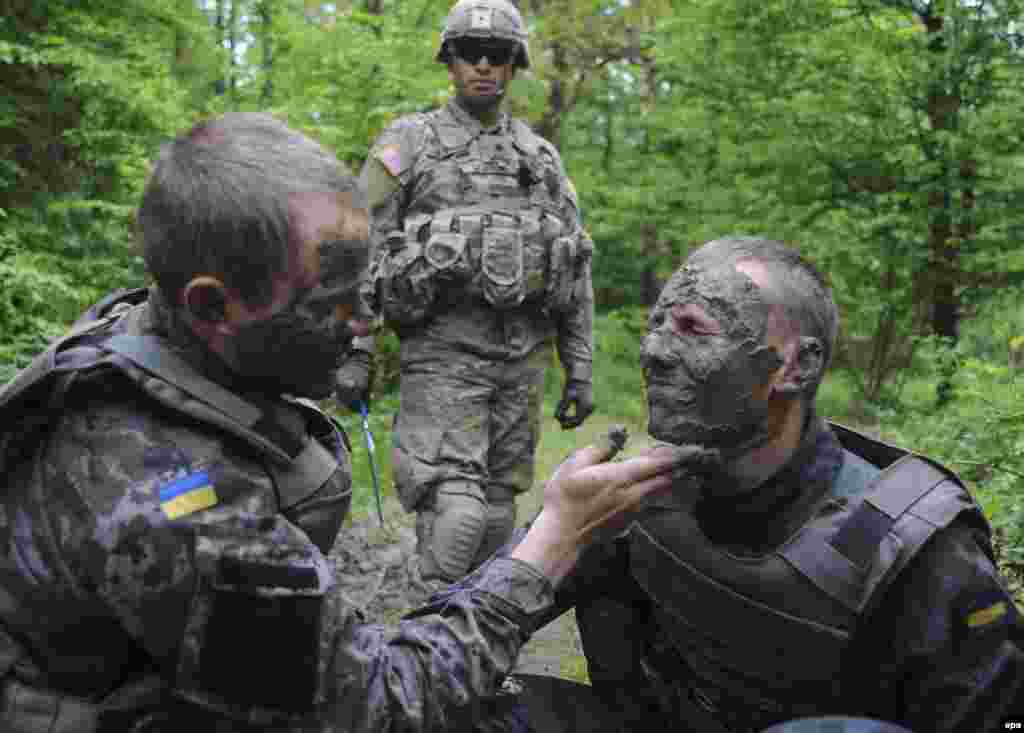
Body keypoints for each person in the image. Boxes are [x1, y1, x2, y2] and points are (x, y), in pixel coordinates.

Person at [0, 111, 701, 732]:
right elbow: (373, 705)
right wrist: (553, 542)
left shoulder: (154, 338)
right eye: (334, 302)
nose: (367, 322)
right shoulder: (167, 494)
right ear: (212, 306)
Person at [461, 236, 1023, 733]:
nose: (654, 351)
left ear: (796, 367)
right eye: (656, 324)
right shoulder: (631, 498)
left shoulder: (913, 549)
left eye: (692, 328)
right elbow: (451, 639)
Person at [334, 0, 596, 584]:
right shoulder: (410, 145)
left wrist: (579, 368)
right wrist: (356, 349)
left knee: (499, 513)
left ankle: (477, 653)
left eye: (497, 55)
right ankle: (431, 645)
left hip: (521, 360)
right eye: (469, 54)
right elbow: (363, 247)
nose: (483, 65)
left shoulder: (541, 159)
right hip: (442, 359)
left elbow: (573, 263)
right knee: (458, 513)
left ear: (514, 65)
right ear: (448, 62)